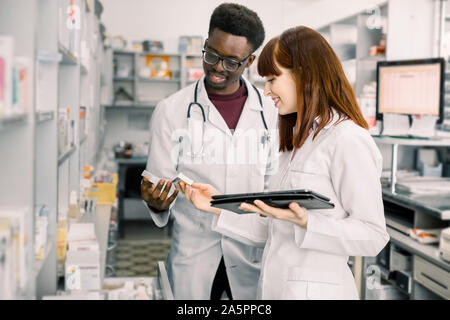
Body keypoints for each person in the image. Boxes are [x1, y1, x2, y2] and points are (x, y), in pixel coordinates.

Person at [179, 26, 390, 300]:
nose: (266, 91)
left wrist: (307, 223)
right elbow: (273, 227)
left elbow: (373, 235)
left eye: (272, 79)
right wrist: (216, 206)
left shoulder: (348, 139)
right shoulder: (298, 141)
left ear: (304, 74)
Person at [140, 3, 279, 300]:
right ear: (205, 44)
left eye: (232, 62)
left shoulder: (271, 113)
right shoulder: (172, 111)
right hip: (194, 256)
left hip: (251, 255)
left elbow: (274, 190)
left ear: (250, 60)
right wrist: (157, 202)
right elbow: (158, 187)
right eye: (212, 55)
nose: (218, 67)